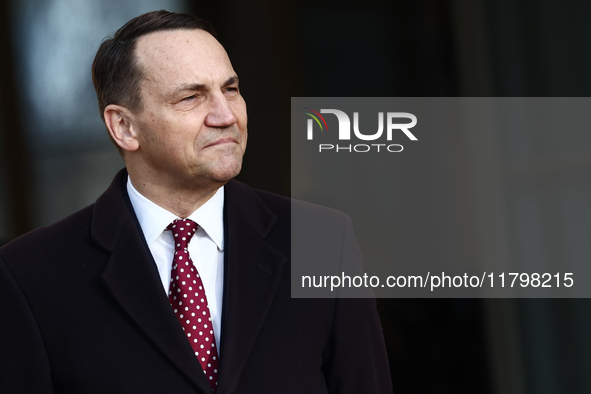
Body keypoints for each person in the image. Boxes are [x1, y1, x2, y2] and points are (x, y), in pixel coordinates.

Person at [0, 10, 392, 394]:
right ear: (124, 126)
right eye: (191, 97)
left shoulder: (323, 240)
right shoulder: (29, 275)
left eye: (231, 89)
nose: (226, 115)